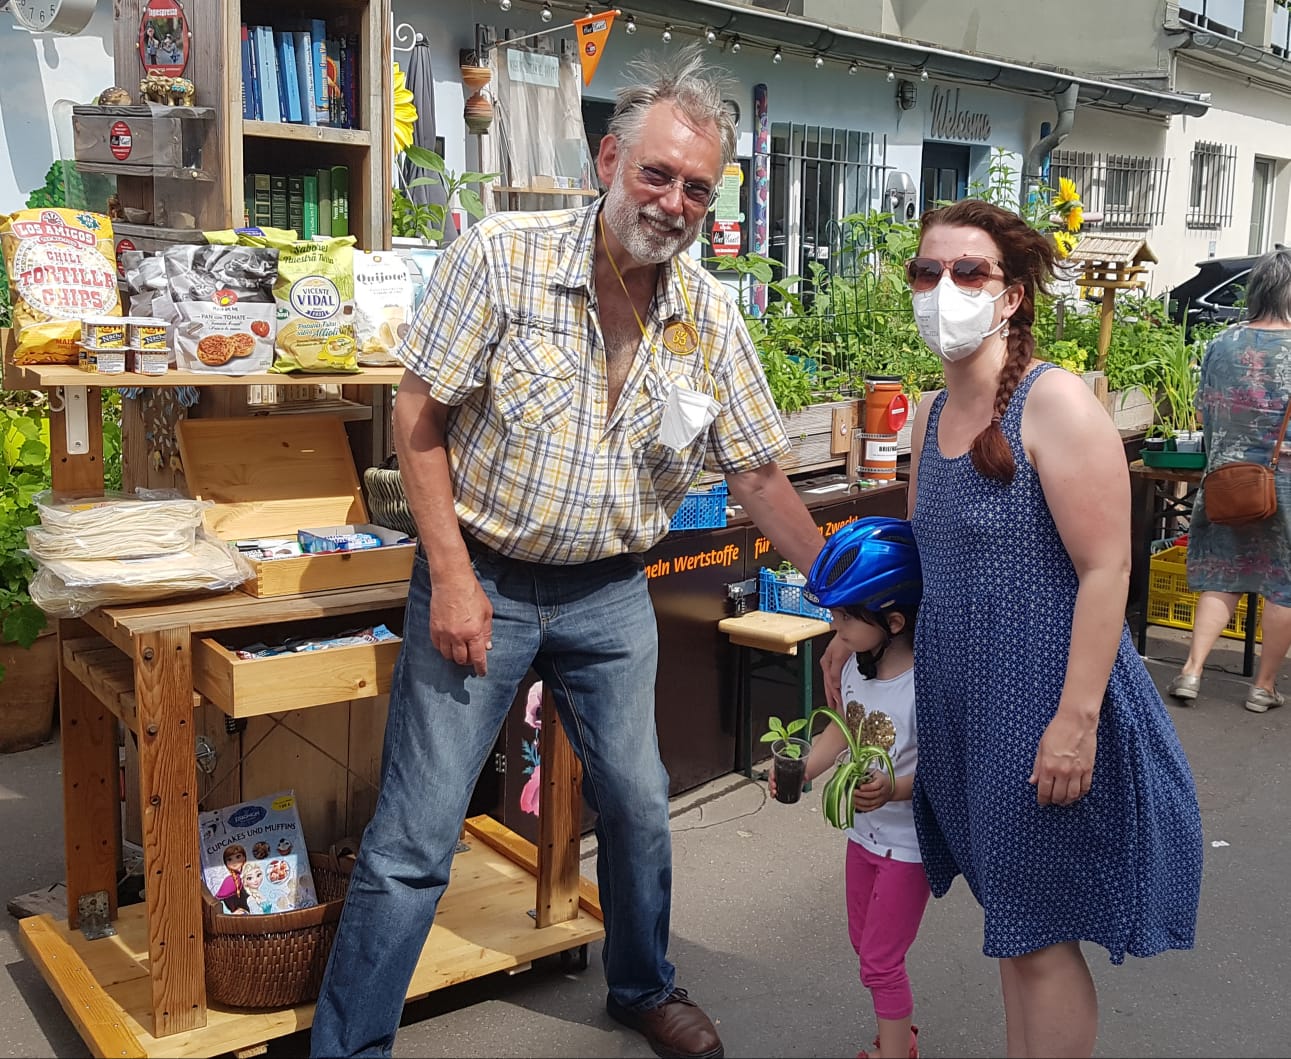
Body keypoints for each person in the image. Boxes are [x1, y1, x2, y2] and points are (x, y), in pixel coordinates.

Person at [310, 45, 826, 1059]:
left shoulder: (709, 316)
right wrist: (450, 577)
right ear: (608, 160)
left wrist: (849, 587)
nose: (674, 203)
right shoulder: (500, 258)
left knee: (637, 806)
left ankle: (641, 985)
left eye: (696, 188)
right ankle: (352, 1046)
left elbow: (760, 474)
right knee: (417, 834)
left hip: (609, 593)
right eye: (657, 174)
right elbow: (416, 417)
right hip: (483, 578)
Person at [823, 198, 1202, 1059]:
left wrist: (1075, 721)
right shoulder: (929, 412)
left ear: (1012, 294)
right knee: (1015, 922)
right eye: (926, 271)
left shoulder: (1053, 400)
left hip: (1043, 703)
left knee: (1036, 934)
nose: (942, 288)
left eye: (968, 271)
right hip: (968, 709)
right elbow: (927, 564)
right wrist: (856, 634)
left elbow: (1107, 569)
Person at [771, 518, 927, 1059]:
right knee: (865, 947)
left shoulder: (923, 686)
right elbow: (843, 727)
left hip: (906, 848)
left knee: (881, 961)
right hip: (862, 836)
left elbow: (942, 775)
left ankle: (895, 1052)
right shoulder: (860, 667)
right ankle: (901, 1034)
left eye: (844, 618)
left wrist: (894, 789)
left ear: (893, 621)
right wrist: (807, 767)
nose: (834, 628)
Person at [1166, 247, 1291, 713]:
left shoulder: (1222, 343)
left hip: (1226, 479)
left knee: (1224, 575)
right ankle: (1263, 686)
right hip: (1285, 484)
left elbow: (1204, 413)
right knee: (1283, 585)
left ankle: (1192, 670)